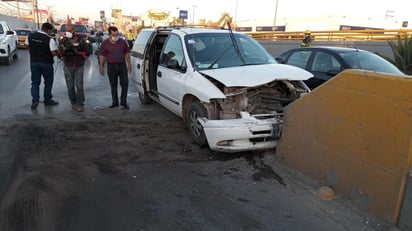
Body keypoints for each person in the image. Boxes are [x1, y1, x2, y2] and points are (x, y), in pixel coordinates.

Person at [26, 22, 60, 109]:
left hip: (34, 63)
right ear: (48, 30)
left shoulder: (30, 36)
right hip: (46, 64)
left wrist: (34, 51)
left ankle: (35, 101)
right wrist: (58, 52)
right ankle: (47, 100)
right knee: (48, 82)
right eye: (50, 31)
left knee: (35, 82)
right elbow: (53, 52)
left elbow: (27, 45)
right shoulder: (49, 39)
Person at [58, 24, 90, 112]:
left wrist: (79, 53)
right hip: (68, 65)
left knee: (79, 85)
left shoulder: (81, 40)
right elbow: (59, 54)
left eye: (69, 30)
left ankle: (80, 102)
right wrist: (63, 51)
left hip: (79, 64)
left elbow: (87, 52)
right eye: (66, 30)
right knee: (70, 85)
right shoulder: (63, 41)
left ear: (73, 31)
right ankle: (73, 102)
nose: (68, 32)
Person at [99, 26, 132, 109]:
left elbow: (127, 53)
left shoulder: (122, 42)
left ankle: (123, 102)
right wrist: (101, 67)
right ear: (109, 35)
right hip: (111, 66)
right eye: (114, 35)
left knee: (125, 84)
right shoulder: (105, 43)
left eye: (117, 34)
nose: (116, 37)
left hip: (122, 65)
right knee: (113, 85)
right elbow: (102, 56)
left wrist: (129, 64)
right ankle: (115, 102)